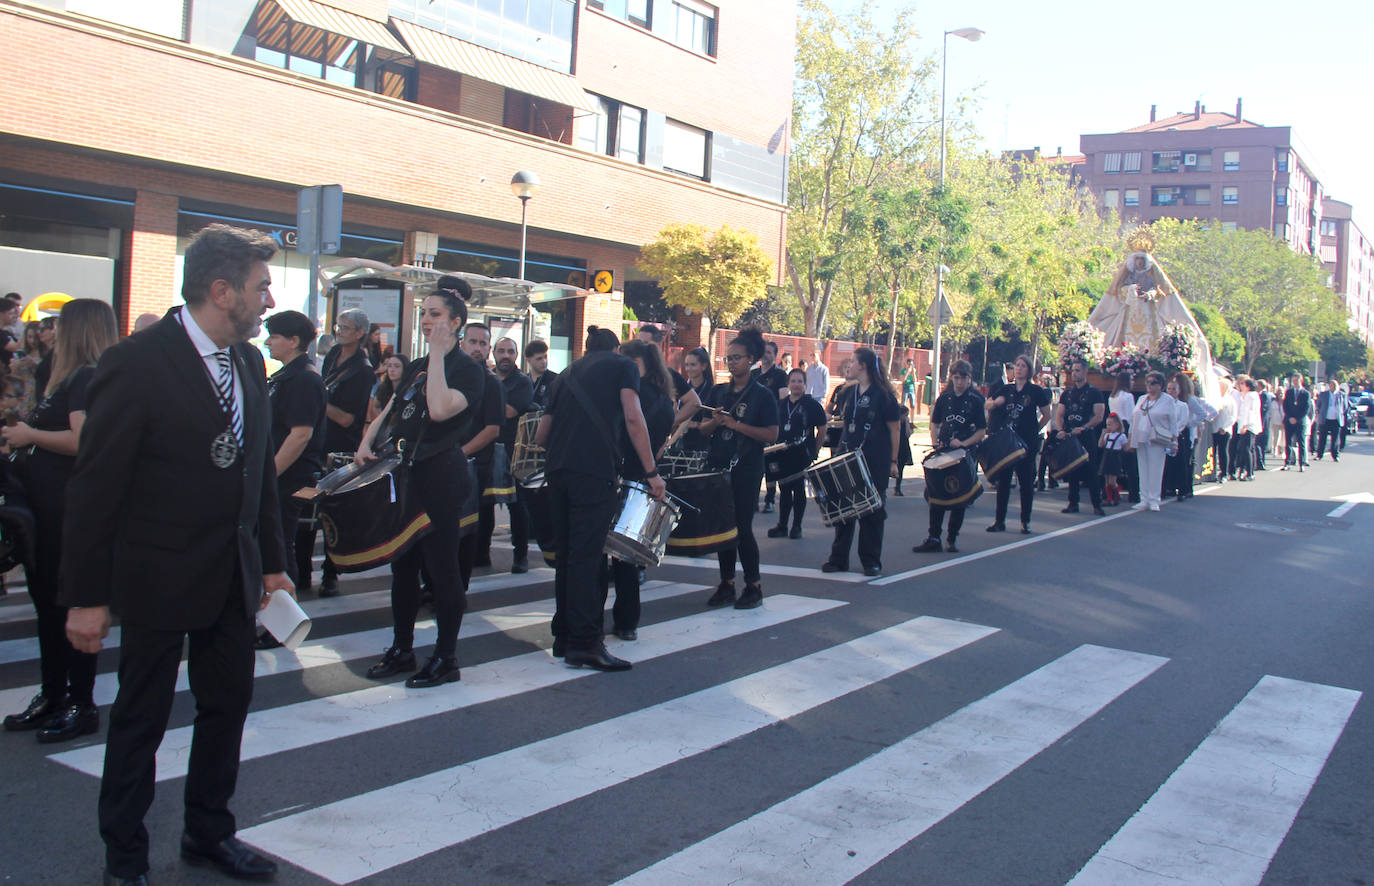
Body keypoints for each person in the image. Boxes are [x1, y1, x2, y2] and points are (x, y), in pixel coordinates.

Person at [60, 224, 290, 884]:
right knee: (141, 721)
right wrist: (87, 595)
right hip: (157, 573)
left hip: (232, 575)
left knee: (227, 711)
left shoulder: (248, 363)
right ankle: (125, 858)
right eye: (259, 288)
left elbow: (256, 476)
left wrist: (272, 563)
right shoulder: (135, 362)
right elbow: (97, 485)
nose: (268, 300)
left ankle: (208, 833)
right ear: (222, 292)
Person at [1, 299, 117, 743]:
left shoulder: (86, 375)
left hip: (65, 510)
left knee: (66, 605)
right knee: (47, 607)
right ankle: (53, 694)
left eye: (58, 325)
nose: (49, 332)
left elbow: (83, 439)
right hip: (45, 508)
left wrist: (29, 435)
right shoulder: (65, 375)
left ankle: (78, 701)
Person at [358, 285, 485, 689]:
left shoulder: (468, 370)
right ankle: (402, 647)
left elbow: (440, 408)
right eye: (425, 314)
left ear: (455, 323)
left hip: (442, 476)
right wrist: (366, 441)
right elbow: (395, 409)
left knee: (441, 567)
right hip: (405, 475)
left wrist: (437, 355)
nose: (427, 320)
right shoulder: (415, 365)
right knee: (403, 566)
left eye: (435, 314)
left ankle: (445, 657)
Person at [535, 325, 664, 671]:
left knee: (566, 557)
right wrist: (652, 473)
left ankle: (563, 636)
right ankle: (586, 644)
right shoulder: (623, 367)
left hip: (557, 471)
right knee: (588, 560)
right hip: (593, 473)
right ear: (617, 349)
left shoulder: (564, 375)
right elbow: (634, 418)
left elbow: (540, 434)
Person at [602, 339, 675, 640]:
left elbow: (624, 428)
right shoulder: (665, 399)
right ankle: (627, 622)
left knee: (598, 549)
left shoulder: (632, 394)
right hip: (644, 477)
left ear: (633, 364)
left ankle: (592, 619)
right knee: (627, 556)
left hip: (617, 472)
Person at [699, 328, 778, 604]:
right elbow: (702, 429)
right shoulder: (718, 392)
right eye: (728, 358)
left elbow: (771, 434)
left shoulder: (762, 395)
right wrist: (715, 421)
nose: (731, 363)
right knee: (723, 527)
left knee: (742, 528)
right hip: (719, 465)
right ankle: (726, 583)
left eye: (737, 358)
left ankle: (753, 586)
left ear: (752, 360)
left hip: (747, 467)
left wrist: (737, 425)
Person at [263, 311, 327, 603]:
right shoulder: (287, 376)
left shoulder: (304, 379)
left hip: (293, 477)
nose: (267, 342)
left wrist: (267, 476)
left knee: (280, 544)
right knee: (277, 542)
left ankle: (283, 621)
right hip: (285, 475)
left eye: (274, 336)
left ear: (293, 341)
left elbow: (300, 435)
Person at [309, 307, 372, 596]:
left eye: (346, 328)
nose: (339, 332)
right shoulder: (333, 356)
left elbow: (348, 418)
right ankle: (301, 570)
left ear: (360, 333)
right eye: (338, 326)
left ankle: (330, 574)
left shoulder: (363, 370)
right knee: (308, 505)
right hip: (319, 441)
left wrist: (319, 401)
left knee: (334, 511)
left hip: (341, 446)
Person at [819, 348, 899, 574]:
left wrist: (893, 461)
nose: (849, 366)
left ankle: (871, 560)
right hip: (848, 458)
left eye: (853, 362)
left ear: (863, 366)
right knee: (844, 510)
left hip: (874, 460)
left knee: (872, 513)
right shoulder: (847, 393)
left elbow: (895, 429)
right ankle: (838, 559)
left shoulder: (884, 396)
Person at [914, 360, 986, 553]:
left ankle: (952, 538)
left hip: (963, 455)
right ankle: (933, 537)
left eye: (963, 378)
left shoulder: (976, 400)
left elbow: (981, 431)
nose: (959, 382)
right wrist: (935, 442)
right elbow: (934, 423)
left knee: (959, 497)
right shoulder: (944, 398)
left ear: (969, 378)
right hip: (943, 452)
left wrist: (964, 443)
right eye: (956, 377)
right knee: (936, 494)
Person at [457, 322, 506, 580]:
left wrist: (460, 454)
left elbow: (492, 429)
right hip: (442, 462)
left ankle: (456, 588)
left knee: (466, 529)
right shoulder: (447, 375)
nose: (477, 348)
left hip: (474, 464)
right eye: (472, 342)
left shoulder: (491, 383)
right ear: (461, 342)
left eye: (483, 343)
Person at [984, 354, 1053, 533]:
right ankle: (999, 521)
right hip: (1007, 444)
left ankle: (1025, 521)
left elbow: (1047, 414)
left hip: (1025, 443)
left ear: (1029, 370)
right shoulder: (1006, 390)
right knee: (1004, 482)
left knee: (1026, 483)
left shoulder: (1035, 391)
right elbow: (987, 404)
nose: (1019, 368)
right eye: (1017, 365)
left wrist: (1034, 430)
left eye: (1023, 366)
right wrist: (996, 402)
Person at [489, 336, 534, 572]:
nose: (505, 355)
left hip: (512, 450)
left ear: (516, 356)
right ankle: (479, 554)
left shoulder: (522, 382)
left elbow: (508, 412)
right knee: (483, 503)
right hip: (486, 446)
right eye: (501, 351)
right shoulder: (486, 378)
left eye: (510, 351)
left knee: (517, 505)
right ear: (493, 353)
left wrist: (480, 403)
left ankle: (521, 556)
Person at [766, 367, 826, 539]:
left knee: (799, 491)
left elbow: (822, 429)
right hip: (782, 454)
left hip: (801, 454)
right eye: (793, 381)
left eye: (800, 381)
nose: (796, 384)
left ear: (805, 384)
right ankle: (782, 525)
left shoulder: (812, 405)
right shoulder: (781, 404)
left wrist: (815, 449)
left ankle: (797, 526)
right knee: (784, 490)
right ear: (788, 384)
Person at [1053, 358, 1106, 517]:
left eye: (1077, 370)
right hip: (1070, 436)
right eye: (1073, 371)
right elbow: (1060, 414)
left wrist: (1084, 427)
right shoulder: (1067, 393)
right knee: (1072, 470)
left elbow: (1099, 415)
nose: (1074, 374)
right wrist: (1061, 429)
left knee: (1091, 471)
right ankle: (1073, 503)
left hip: (1086, 436)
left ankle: (1097, 504)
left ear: (1085, 371)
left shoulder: (1094, 392)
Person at [1127, 371, 1180, 511]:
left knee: (1156, 468)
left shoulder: (1167, 400)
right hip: (1141, 436)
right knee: (1143, 468)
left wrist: (1174, 441)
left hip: (1157, 438)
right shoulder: (1142, 399)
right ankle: (1144, 498)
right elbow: (1134, 418)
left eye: (1153, 383)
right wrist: (1131, 436)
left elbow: (1173, 421)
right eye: (1148, 383)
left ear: (1160, 385)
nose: (1149, 386)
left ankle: (1154, 499)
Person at [636, 323, 702, 432]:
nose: (640, 349)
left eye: (645, 344)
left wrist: (670, 422)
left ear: (657, 346)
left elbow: (694, 403)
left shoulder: (668, 374)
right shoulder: (630, 372)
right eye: (638, 343)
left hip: (654, 436)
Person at [751, 338, 788, 513]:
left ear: (775, 356)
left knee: (772, 464)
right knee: (754, 463)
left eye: (769, 352)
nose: (765, 356)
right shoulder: (753, 374)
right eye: (763, 352)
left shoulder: (780, 375)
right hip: (753, 426)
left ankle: (770, 499)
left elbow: (783, 400)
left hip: (771, 425)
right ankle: (753, 498)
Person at [1108, 373, 1140, 503]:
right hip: (1125, 426)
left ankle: (1110, 492)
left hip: (1114, 427)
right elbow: (1132, 416)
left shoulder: (1112, 396)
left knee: (1114, 462)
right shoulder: (1127, 396)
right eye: (1132, 380)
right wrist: (1132, 434)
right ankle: (1133, 494)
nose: (1133, 382)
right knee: (1131, 465)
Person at [1233, 375, 1262, 480]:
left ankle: (1249, 472)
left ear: (1248, 386)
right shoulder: (1250, 395)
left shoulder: (1251, 396)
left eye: (1243, 384)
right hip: (1247, 425)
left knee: (1246, 449)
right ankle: (1247, 471)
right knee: (1248, 449)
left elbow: (1250, 412)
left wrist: (1245, 425)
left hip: (1248, 426)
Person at [1282, 373, 1312, 471]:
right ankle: (1287, 462)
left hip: (1300, 421)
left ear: (1301, 381)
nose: (1295, 382)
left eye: (1296, 380)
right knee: (1288, 442)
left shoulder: (1306, 393)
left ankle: (1301, 463)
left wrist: (1297, 418)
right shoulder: (1289, 392)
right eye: (1293, 381)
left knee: (1301, 443)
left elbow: (1306, 408)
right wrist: (1290, 417)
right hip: (1289, 420)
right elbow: (1285, 405)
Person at [367, 353, 408, 423]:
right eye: (389, 366)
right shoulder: (383, 388)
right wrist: (381, 421)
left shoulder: (408, 390)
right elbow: (375, 406)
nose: (392, 369)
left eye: (397, 366)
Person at [1314, 378, 1347, 462]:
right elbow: (1318, 405)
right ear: (1329, 386)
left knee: (1335, 439)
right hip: (1325, 419)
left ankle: (1335, 455)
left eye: (1335, 385)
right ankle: (1319, 454)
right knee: (1322, 438)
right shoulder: (1323, 394)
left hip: (1336, 420)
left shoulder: (1341, 395)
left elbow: (1345, 407)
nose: (1334, 387)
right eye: (1332, 385)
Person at [1098, 414, 1128, 505]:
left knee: (1112, 481)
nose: (1108, 427)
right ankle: (1109, 498)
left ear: (1117, 425)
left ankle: (1117, 494)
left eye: (1110, 424)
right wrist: (1103, 434)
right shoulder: (1107, 435)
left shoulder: (1121, 436)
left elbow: (1125, 448)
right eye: (1107, 424)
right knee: (1106, 481)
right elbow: (1100, 445)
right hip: (1106, 457)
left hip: (1115, 458)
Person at [525, 339, 558, 409]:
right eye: (539, 359)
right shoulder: (523, 381)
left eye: (545, 357)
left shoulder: (556, 380)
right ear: (528, 360)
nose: (544, 361)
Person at [893, 405, 914, 495]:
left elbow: (908, 434)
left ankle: (898, 487)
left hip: (904, 446)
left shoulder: (905, 422)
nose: (906, 417)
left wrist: (907, 424)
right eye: (905, 415)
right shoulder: (894, 422)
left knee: (901, 468)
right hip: (896, 446)